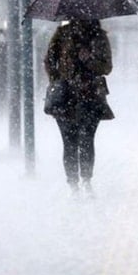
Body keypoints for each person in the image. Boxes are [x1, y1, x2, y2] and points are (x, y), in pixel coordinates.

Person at [44, 19, 114, 196]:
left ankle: (86, 180)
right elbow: (49, 61)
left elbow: (106, 67)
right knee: (69, 142)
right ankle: (73, 184)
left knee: (87, 140)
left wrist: (89, 60)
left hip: (90, 95)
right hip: (65, 97)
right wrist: (59, 79)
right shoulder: (62, 34)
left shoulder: (99, 36)